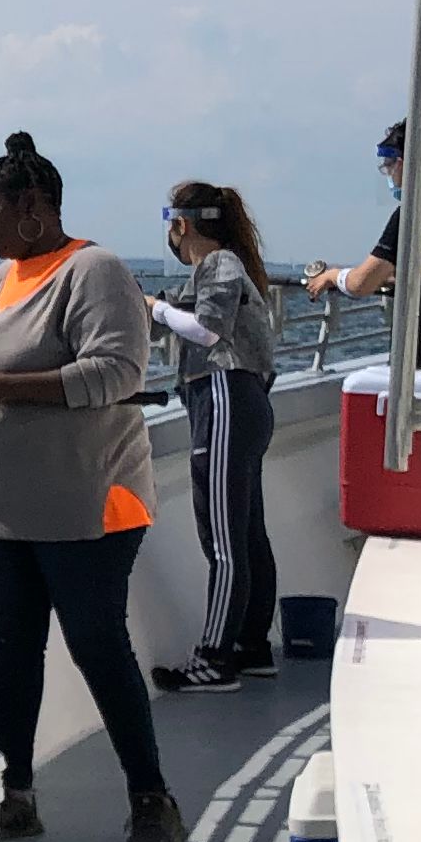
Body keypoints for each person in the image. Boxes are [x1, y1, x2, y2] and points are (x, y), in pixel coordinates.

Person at [0, 131, 187, 842]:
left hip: (85, 510)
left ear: (33, 207)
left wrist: (0, 389)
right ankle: (18, 794)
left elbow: (116, 372)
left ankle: (151, 798)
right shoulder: (1, 278)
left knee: (98, 644)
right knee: (13, 649)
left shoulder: (93, 272)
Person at [147, 180, 281, 693]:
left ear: (182, 225)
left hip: (224, 396)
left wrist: (156, 310)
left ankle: (214, 657)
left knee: (222, 539)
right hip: (238, 403)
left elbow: (206, 330)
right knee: (247, 534)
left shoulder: (220, 265)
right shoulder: (215, 270)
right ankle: (251, 646)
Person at [306, 117, 421, 303]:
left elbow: (361, 284)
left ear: (401, 164)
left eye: (388, 165)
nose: (388, 173)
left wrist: (332, 276)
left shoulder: (409, 215)